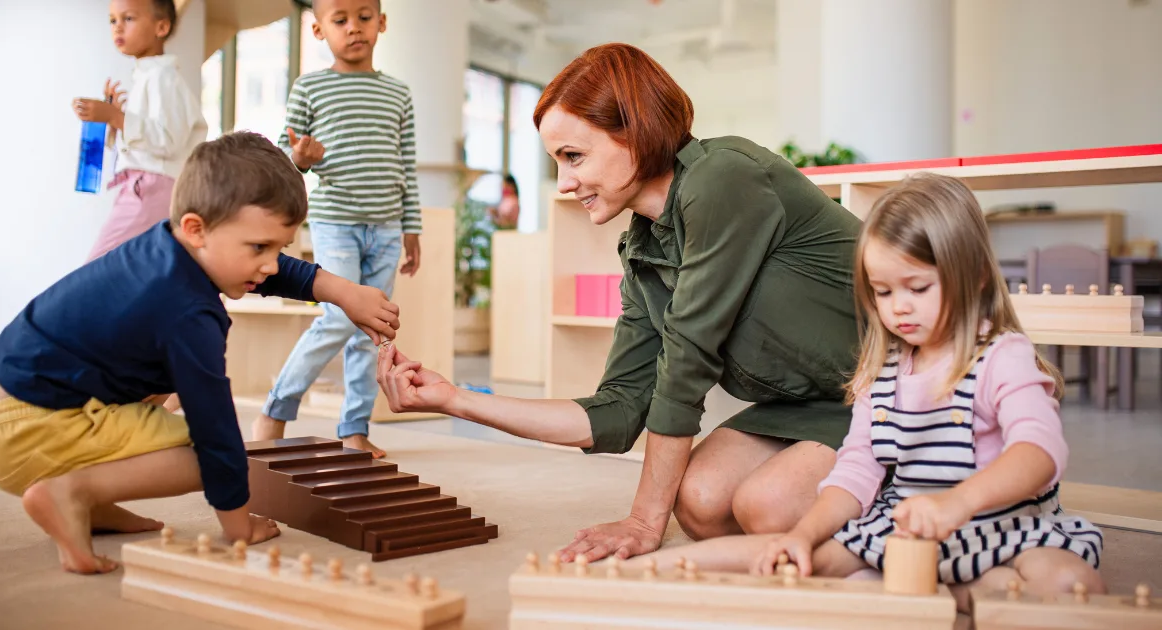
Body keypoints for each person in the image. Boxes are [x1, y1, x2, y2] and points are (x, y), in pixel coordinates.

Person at [378, 43, 862, 562]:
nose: (564, 184)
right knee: (698, 502)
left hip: (894, 392)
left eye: (574, 157)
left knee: (767, 507)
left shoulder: (723, 178)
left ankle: (941, 486)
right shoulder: (642, 248)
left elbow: (686, 366)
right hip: (809, 406)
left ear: (635, 130)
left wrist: (642, 521)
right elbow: (618, 410)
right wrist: (457, 400)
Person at [635, 174, 1104, 611]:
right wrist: (804, 533)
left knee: (1068, 585)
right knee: (798, 562)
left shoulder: (1003, 356)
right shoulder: (883, 370)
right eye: (882, 292)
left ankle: (948, 590)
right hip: (906, 532)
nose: (898, 307)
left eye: (917, 287)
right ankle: (652, 572)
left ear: (976, 276)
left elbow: (1039, 452)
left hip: (1007, 528)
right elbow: (858, 469)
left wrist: (957, 503)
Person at [0, 132, 401, 575]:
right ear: (196, 228)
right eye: (259, 248)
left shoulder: (166, 247)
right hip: (26, 431)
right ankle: (70, 491)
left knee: (163, 381)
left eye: (279, 248)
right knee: (210, 453)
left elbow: (263, 270)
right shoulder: (189, 312)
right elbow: (216, 429)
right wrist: (238, 527)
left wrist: (342, 291)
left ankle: (91, 502)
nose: (271, 264)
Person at [252, 0, 421, 460]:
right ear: (318, 30)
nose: (354, 29)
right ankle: (277, 409)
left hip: (387, 226)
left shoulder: (399, 94)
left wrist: (412, 228)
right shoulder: (308, 88)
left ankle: (354, 429)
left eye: (364, 17)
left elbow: (407, 164)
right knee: (341, 315)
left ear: (382, 23)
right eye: (340, 20)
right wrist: (300, 161)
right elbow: (281, 165)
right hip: (334, 221)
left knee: (374, 326)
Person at [73, 0, 207, 263]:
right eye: (113, 20)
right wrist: (114, 120)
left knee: (100, 266)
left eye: (129, 19)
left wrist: (116, 116)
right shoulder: (147, 77)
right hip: (147, 185)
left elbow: (168, 140)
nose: (118, 28)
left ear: (161, 26)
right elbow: (144, 144)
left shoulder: (163, 78)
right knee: (143, 269)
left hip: (153, 186)